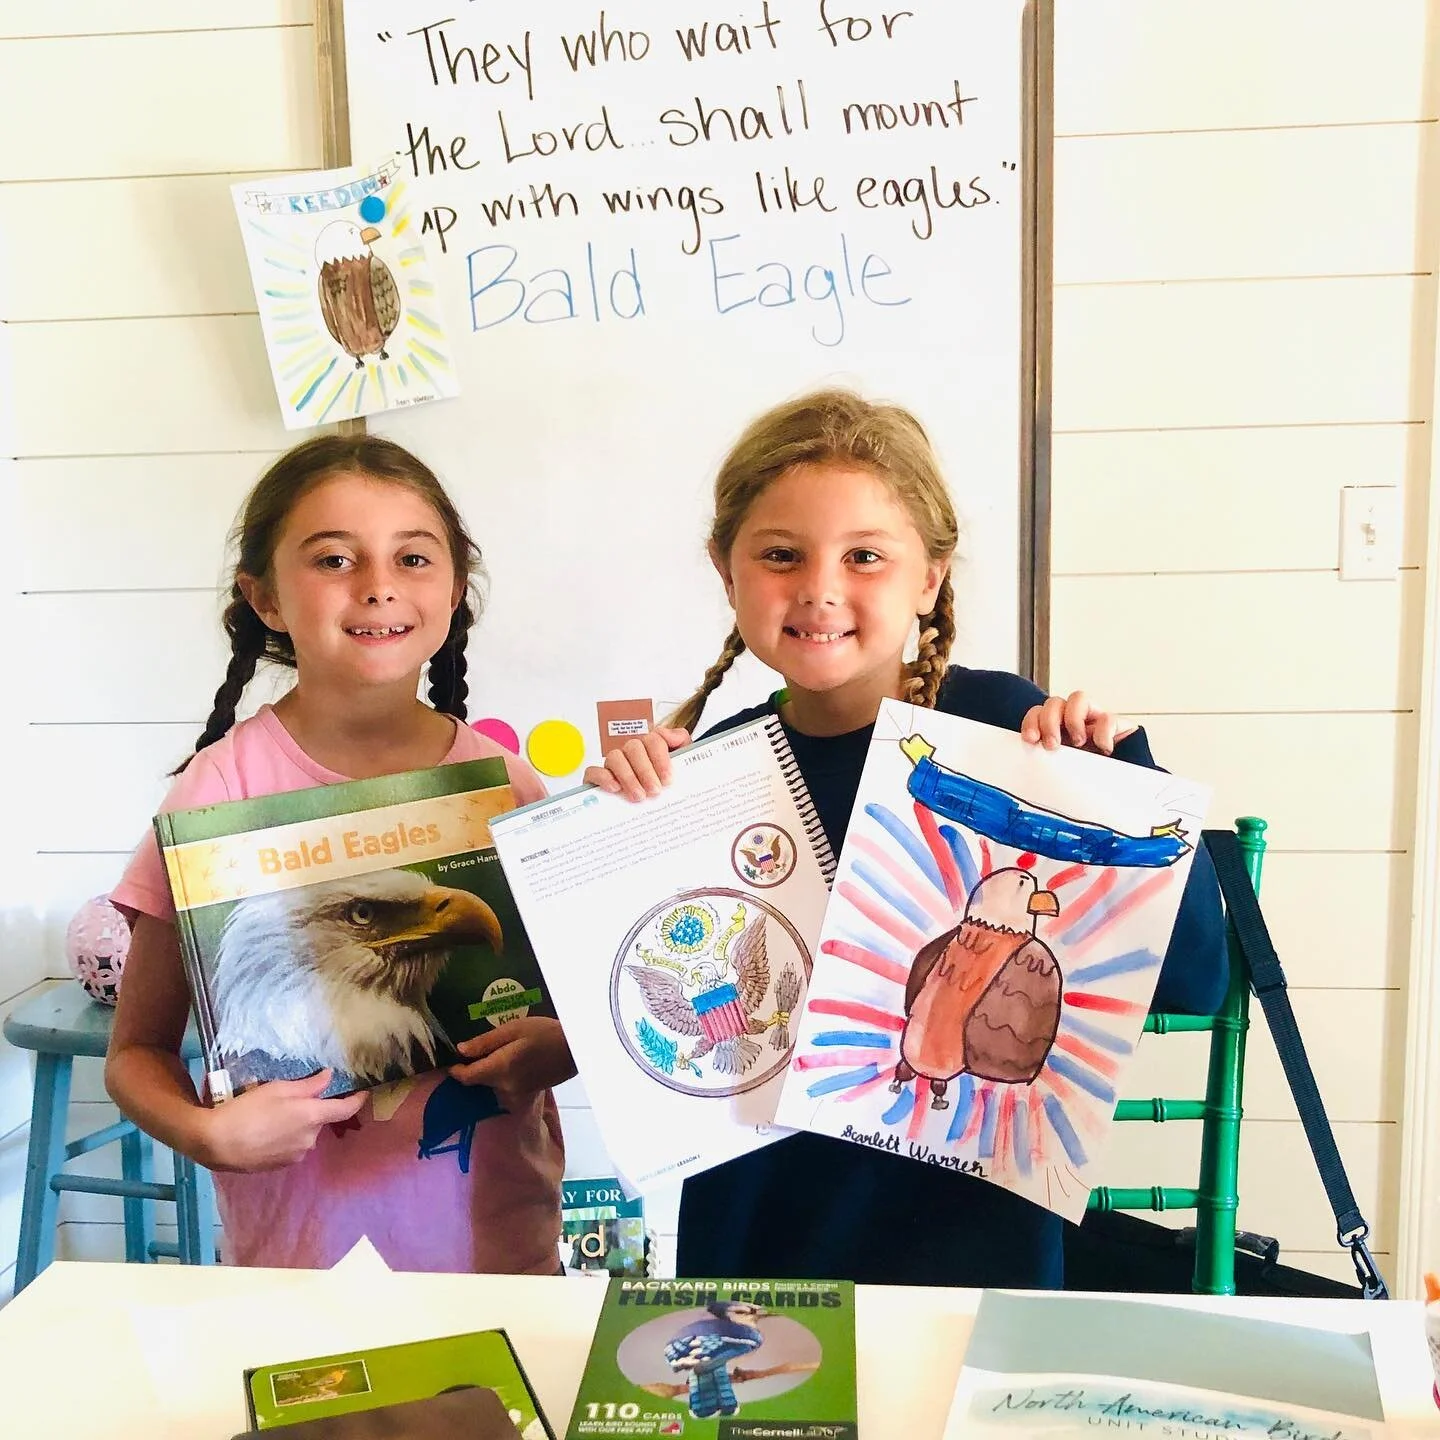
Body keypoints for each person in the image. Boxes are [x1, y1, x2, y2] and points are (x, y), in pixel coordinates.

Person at [587, 388, 1227, 1287]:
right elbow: (648, 1018)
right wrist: (608, 840)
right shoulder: (704, 779)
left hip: (972, 1265)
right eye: (780, 555)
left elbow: (1200, 974)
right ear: (725, 571)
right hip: (757, 1262)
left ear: (929, 576)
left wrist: (1122, 781)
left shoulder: (1015, 739)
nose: (819, 589)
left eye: (864, 557)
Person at [106, 435, 571, 1273]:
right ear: (266, 598)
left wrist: (560, 1048)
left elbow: (585, 1014)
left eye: (413, 556)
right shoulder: (219, 796)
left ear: (455, 587)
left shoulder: (504, 785)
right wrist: (205, 1133)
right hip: (302, 1260)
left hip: (496, 1243)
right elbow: (135, 1052)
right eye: (333, 559)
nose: (379, 585)